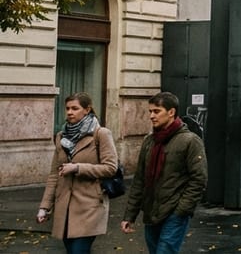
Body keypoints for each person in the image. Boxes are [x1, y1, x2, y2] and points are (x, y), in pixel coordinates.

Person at [121, 91, 208, 254]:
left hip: (174, 212)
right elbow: (140, 180)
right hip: (151, 212)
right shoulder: (150, 141)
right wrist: (129, 215)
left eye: (156, 111)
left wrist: (182, 209)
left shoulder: (190, 141)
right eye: (150, 111)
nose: (151, 116)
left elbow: (199, 179)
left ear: (171, 112)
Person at [37, 92, 119, 253]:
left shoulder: (100, 134)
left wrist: (78, 168)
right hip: (64, 206)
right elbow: (54, 174)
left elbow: (110, 167)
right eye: (67, 108)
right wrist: (45, 206)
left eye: (75, 108)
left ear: (87, 110)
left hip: (89, 205)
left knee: (79, 251)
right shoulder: (62, 136)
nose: (69, 112)